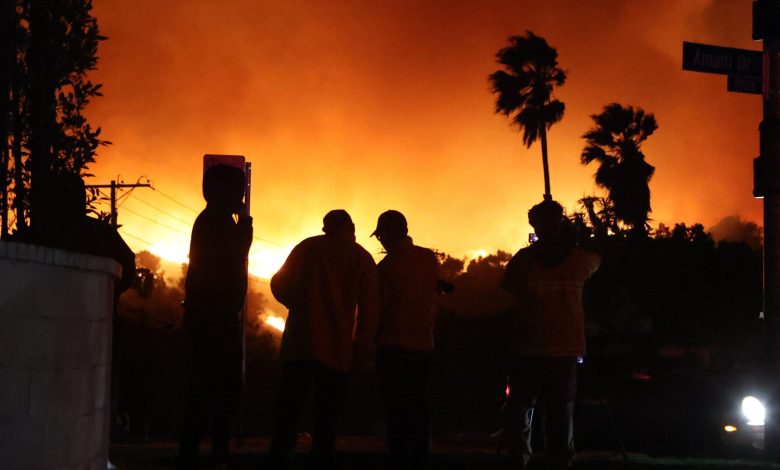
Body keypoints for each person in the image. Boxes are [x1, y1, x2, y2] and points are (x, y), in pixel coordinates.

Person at [270, 209, 380, 469]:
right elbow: (370, 310)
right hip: (336, 345)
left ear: (325, 228)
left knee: (289, 406)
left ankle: (280, 455)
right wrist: (362, 348)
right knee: (327, 412)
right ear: (351, 228)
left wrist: (298, 305)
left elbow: (278, 284)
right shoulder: (361, 258)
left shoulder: (307, 248)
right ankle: (321, 459)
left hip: (300, 341)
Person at [500, 199, 600, 470]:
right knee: (561, 413)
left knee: (521, 409)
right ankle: (560, 462)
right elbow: (599, 259)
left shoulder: (523, 260)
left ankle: (518, 459)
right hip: (566, 349)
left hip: (530, 348)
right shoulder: (580, 259)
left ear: (534, 224)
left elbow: (509, 291)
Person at [179, 164, 253, 466]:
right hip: (213, 320)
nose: (242, 196)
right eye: (237, 190)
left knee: (209, 387)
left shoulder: (213, 220)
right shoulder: (216, 222)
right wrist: (245, 226)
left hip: (210, 318)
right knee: (219, 388)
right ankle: (209, 449)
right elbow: (236, 253)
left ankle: (198, 448)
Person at [372, 210, 440, 469]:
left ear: (388, 233)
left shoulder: (386, 268)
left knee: (396, 410)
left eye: (380, 235)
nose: (380, 241)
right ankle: (421, 458)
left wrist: (366, 340)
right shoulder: (428, 258)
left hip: (392, 347)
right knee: (419, 406)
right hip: (423, 345)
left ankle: (400, 459)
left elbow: (378, 308)